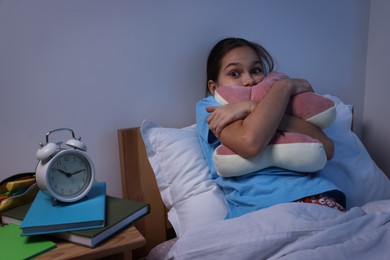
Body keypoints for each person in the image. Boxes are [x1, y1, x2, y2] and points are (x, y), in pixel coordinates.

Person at [196, 37, 345, 219]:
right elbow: (250, 142)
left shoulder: (279, 102)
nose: (249, 80)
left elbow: (327, 148)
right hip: (259, 208)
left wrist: (255, 105)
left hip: (320, 198)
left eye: (256, 70)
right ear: (213, 87)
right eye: (234, 73)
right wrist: (284, 88)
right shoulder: (210, 107)